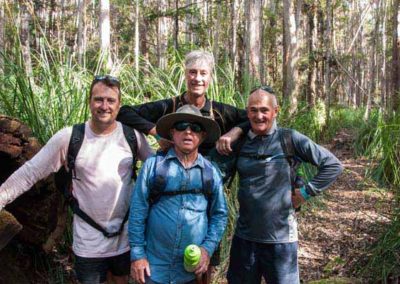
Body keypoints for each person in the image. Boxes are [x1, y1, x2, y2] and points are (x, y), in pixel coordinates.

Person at [0, 75, 153, 284]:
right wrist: (1, 197)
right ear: (89, 101)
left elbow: (157, 169)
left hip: (124, 239)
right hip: (88, 242)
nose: (104, 106)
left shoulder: (132, 136)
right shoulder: (69, 137)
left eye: (111, 101)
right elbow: (31, 172)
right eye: (98, 99)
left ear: (119, 105)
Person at [212, 87, 343, 284]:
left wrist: (306, 192)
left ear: (276, 111)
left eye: (264, 110)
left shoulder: (290, 138)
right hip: (244, 240)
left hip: (281, 241)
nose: (259, 116)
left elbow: (333, 165)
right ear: (247, 113)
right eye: (254, 110)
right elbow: (213, 175)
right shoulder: (239, 143)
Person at [129, 105, 228, 284]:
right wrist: (137, 255)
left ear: (203, 136)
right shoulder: (153, 167)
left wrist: (207, 249)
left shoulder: (210, 172)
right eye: (182, 126)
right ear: (173, 133)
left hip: (191, 271)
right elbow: (138, 211)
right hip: (153, 268)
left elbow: (219, 215)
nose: (188, 132)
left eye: (196, 128)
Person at [116, 49, 248, 155]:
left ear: (210, 77)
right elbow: (123, 112)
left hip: (208, 180)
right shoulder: (168, 107)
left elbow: (252, 118)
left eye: (203, 73)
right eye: (192, 72)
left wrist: (234, 132)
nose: (197, 78)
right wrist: (157, 133)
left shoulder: (220, 111)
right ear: (185, 74)